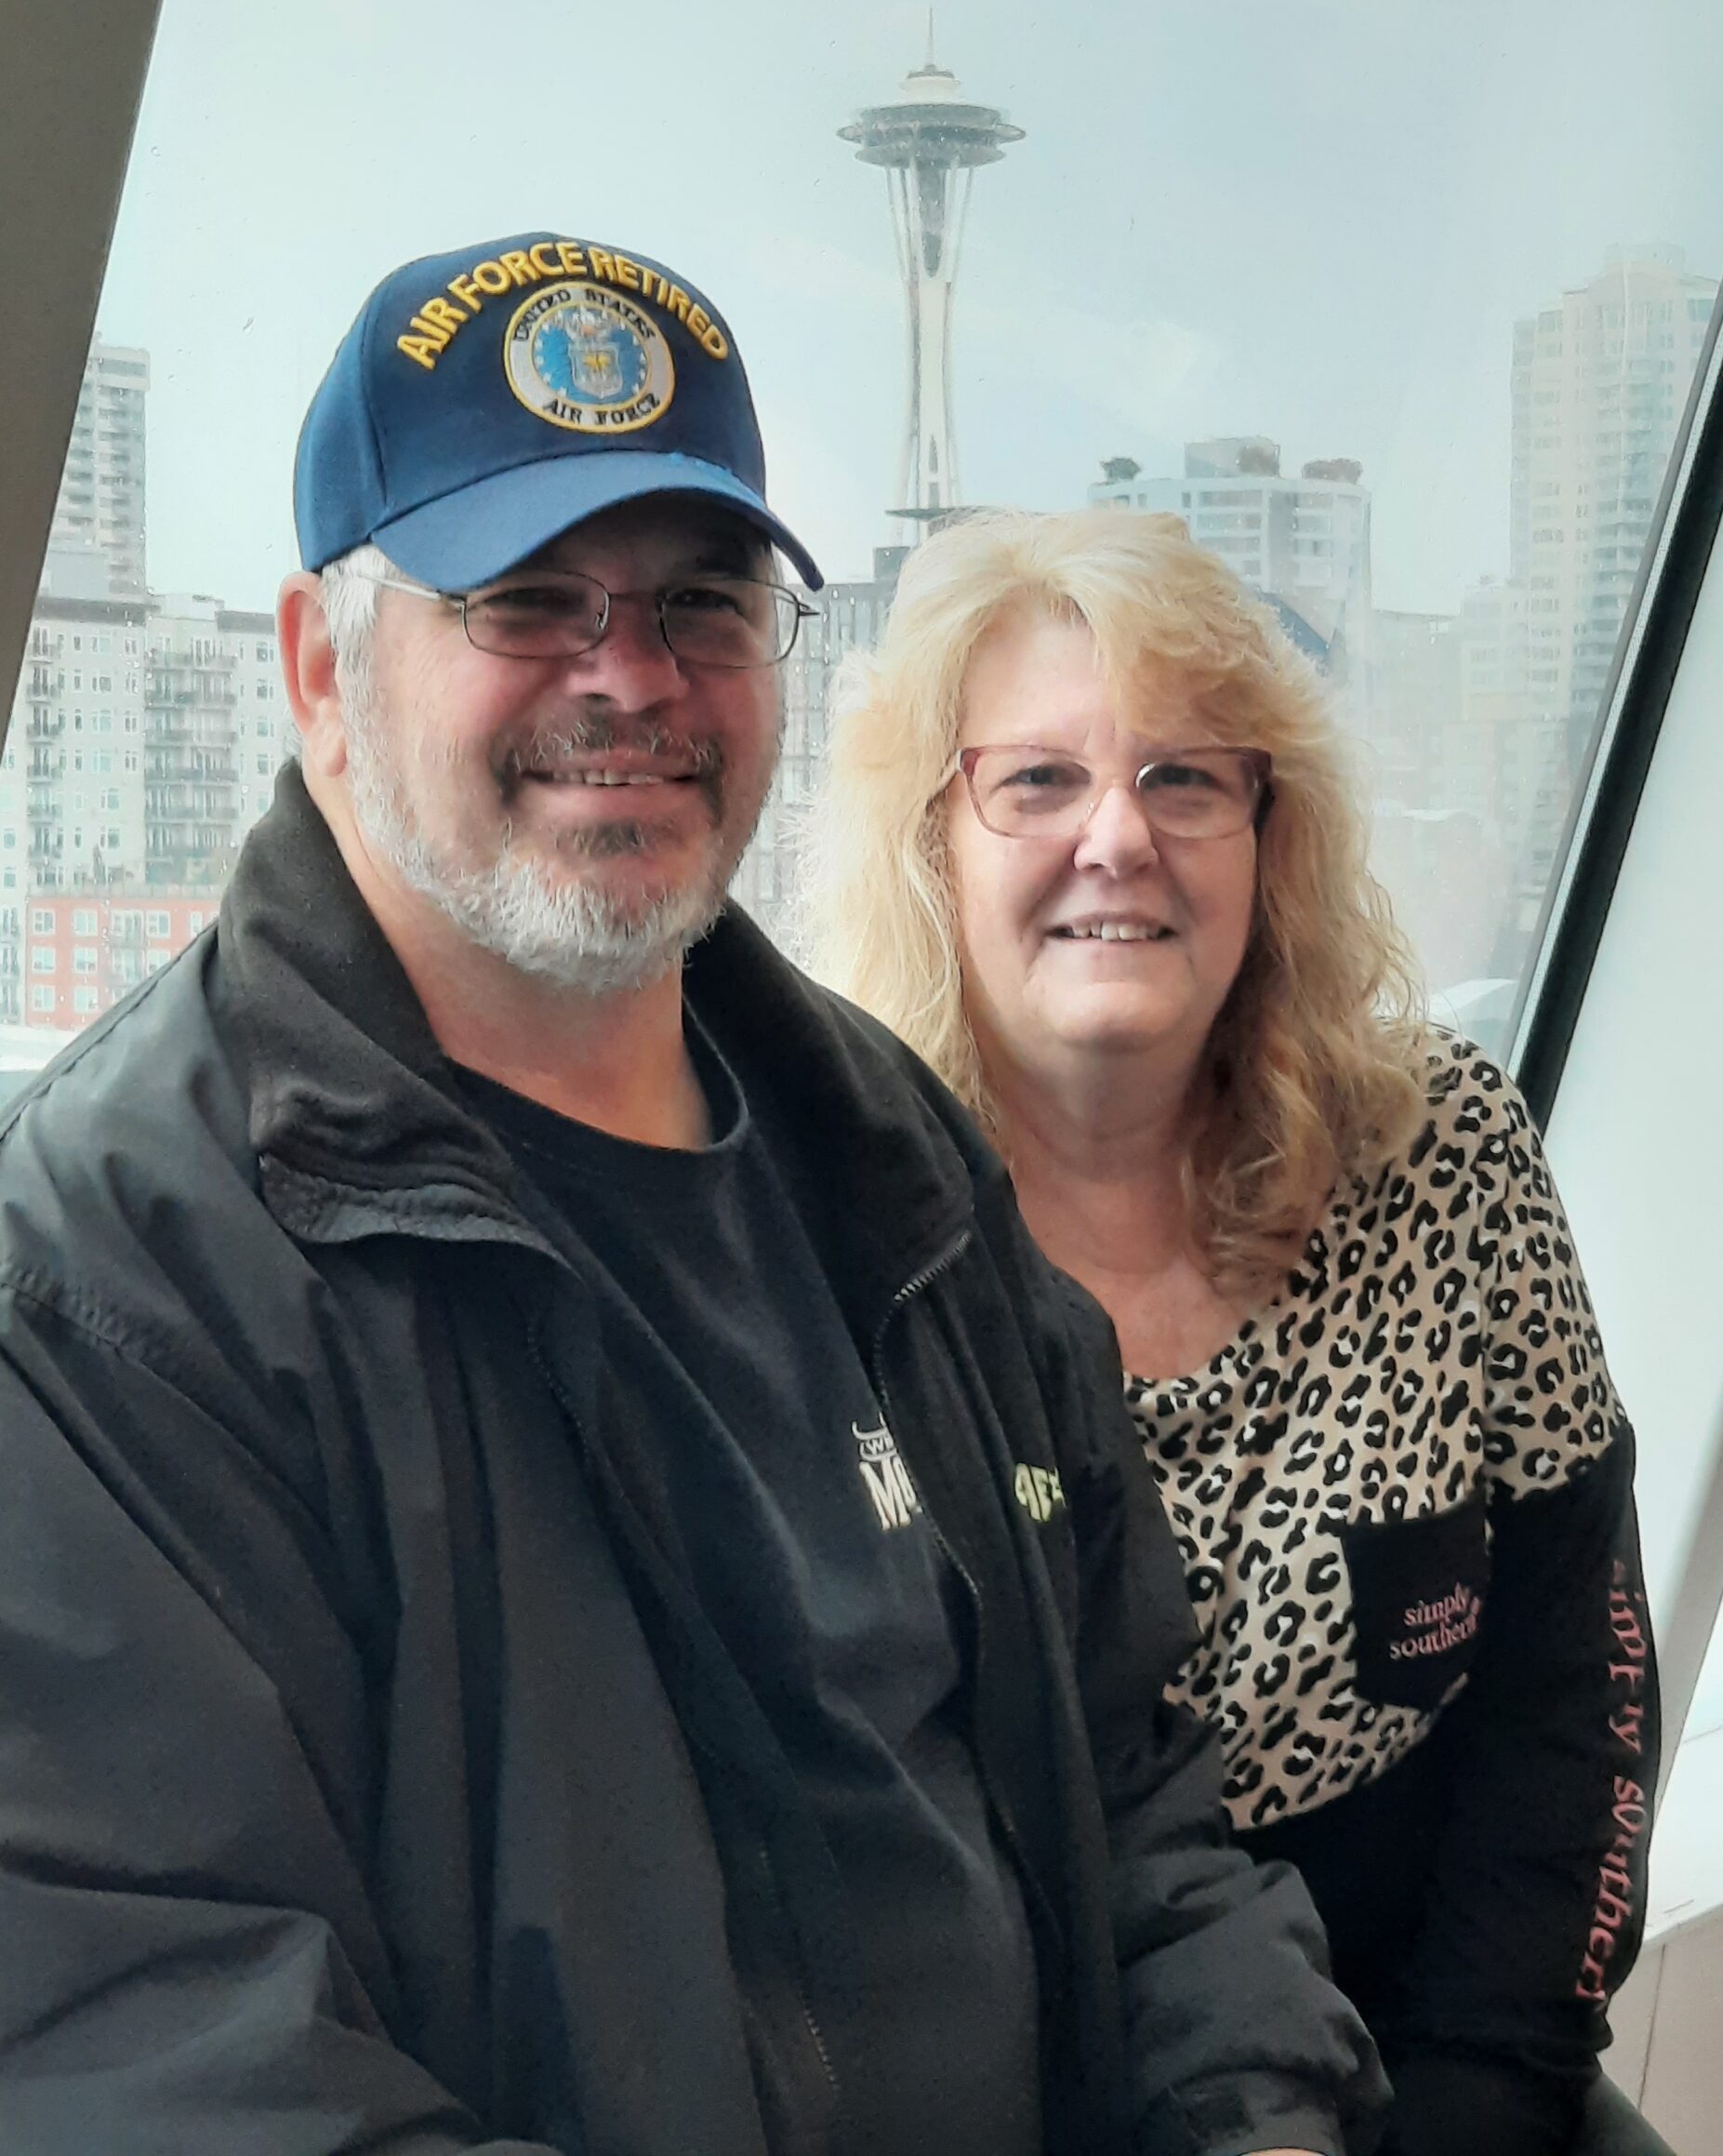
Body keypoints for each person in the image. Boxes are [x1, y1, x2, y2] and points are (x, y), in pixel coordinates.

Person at [0, 239, 1385, 2156]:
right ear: (321, 665)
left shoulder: (892, 1166)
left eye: (701, 604)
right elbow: (166, 2050)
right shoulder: (111, 1290)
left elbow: (1133, 1792)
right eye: (527, 599)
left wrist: (1262, 2120)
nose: (633, 677)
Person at [806, 508, 1661, 2156]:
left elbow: (1578, 1686)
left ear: (1273, 835)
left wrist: (1485, 2099)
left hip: (1451, 2046)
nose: (1118, 836)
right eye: (1037, 780)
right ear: (933, 843)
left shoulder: (1442, 1153)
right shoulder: (837, 1245)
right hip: (1042, 2088)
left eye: (1185, 777)